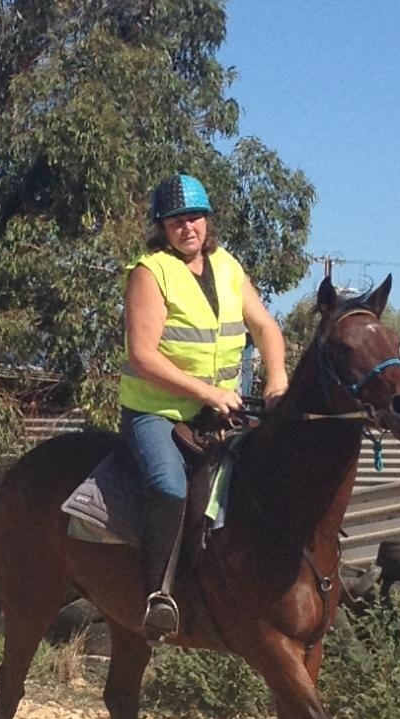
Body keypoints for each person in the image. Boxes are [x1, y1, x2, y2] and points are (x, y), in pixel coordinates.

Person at [120, 173, 289, 644]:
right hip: (157, 414)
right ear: (162, 228)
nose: (186, 227)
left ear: (206, 220)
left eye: (193, 217)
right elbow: (143, 356)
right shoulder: (149, 272)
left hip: (218, 414)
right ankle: (157, 597)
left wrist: (277, 379)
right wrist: (207, 392)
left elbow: (266, 328)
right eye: (175, 221)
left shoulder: (229, 267)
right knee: (169, 488)